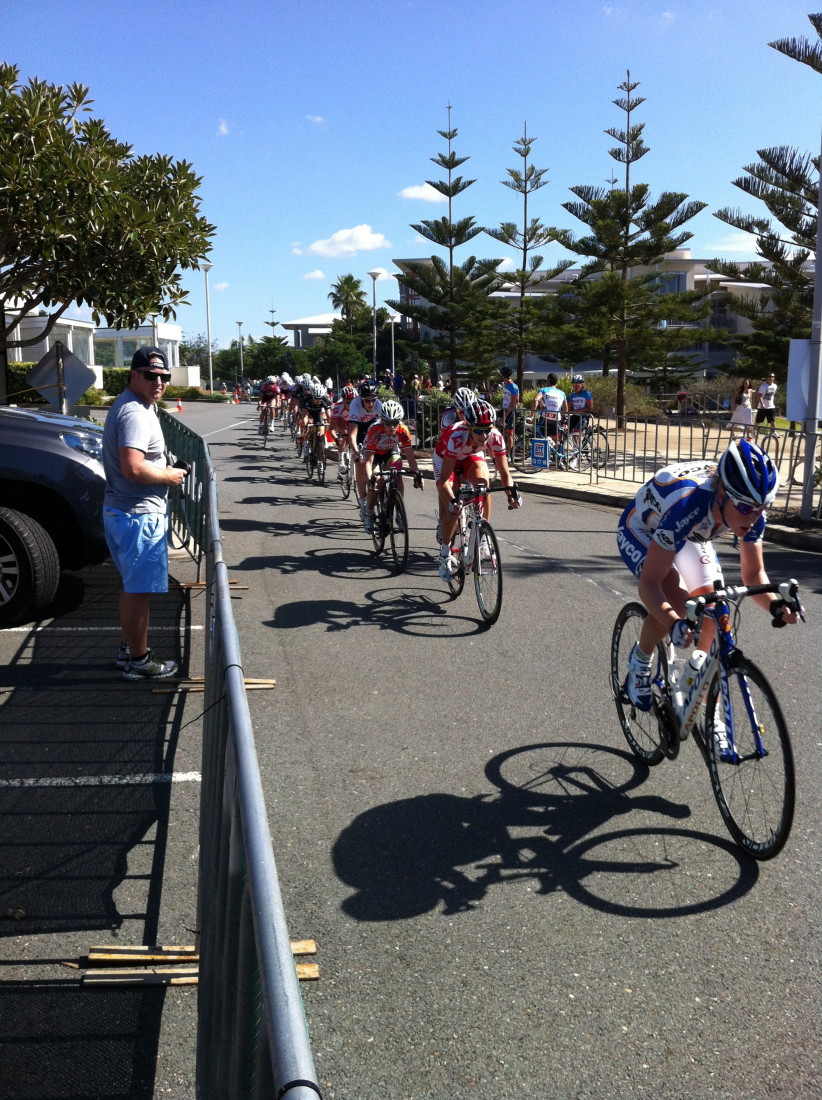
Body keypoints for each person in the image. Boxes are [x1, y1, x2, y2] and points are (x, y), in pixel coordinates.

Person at [616, 439, 800, 713]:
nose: (753, 517)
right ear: (723, 493)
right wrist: (674, 623)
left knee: (712, 608)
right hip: (644, 528)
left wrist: (775, 604)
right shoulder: (688, 505)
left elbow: (753, 575)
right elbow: (650, 585)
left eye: (762, 508)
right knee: (676, 604)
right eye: (746, 508)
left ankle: (698, 697)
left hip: (692, 530)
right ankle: (640, 660)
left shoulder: (750, 511)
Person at [102, 347, 188, 680]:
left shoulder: (136, 406)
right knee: (138, 591)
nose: (159, 382)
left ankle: (130, 649)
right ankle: (139, 661)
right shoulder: (135, 413)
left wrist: (164, 468)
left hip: (126, 512)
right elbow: (134, 468)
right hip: (136, 516)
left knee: (133, 588)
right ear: (133, 375)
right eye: (150, 375)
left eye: (164, 376)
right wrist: (169, 475)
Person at [435, 400, 521, 581]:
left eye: (488, 429)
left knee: (484, 483)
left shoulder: (495, 436)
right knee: (454, 505)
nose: (484, 435)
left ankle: (484, 538)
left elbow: (505, 473)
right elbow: (443, 480)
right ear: (468, 427)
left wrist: (511, 495)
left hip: (469, 457)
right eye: (479, 430)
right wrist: (452, 501)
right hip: (446, 459)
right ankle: (444, 554)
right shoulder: (456, 435)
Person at [360, 399, 423, 533]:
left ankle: (399, 513)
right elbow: (368, 461)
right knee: (377, 481)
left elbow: (410, 457)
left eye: (395, 423)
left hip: (390, 451)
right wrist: (369, 478)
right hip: (374, 454)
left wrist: (416, 473)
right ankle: (369, 513)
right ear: (382, 421)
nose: (392, 427)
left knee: (398, 474)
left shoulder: (403, 430)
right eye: (388, 423)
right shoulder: (375, 430)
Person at [348, 381, 384, 515]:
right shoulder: (355, 405)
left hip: (372, 425)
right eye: (367, 400)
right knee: (360, 464)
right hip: (359, 427)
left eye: (373, 400)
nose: (370, 403)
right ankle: (363, 501)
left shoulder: (379, 405)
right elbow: (352, 434)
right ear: (361, 399)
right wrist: (357, 453)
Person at [532, 373, 567, 458]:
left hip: (545, 418)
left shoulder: (543, 390)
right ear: (556, 382)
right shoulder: (562, 393)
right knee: (555, 439)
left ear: (547, 381)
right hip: (556, 418)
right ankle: (557, 459)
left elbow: (535, 399)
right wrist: (563, 419)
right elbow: (565, 409)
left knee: (540, 437)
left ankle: (543, 458)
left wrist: (532, 415)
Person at [500, 366, 519, 458]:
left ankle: (510, 454)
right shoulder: (506, 386)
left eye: (502, 376)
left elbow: (513, 404)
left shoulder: (513, 387)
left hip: (511, 412)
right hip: (505, 410)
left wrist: (504, 417)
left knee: (509, 433)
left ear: (504, 377)